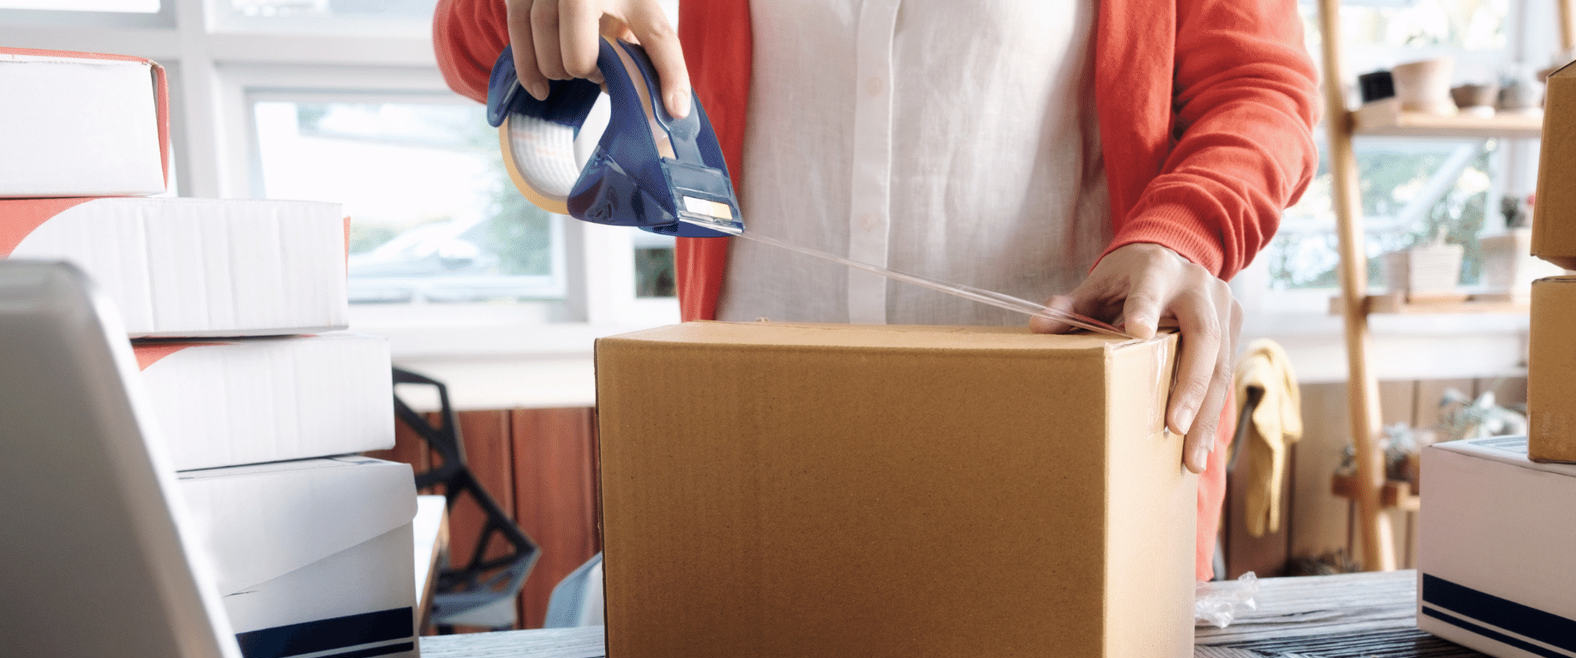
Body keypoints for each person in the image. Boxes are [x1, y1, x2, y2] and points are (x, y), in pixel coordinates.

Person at [432, 0, 1319, 579]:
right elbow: (474, 48)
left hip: (1073, 479)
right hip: (752, 474)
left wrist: (1188, 227)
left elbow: (1261, 87)